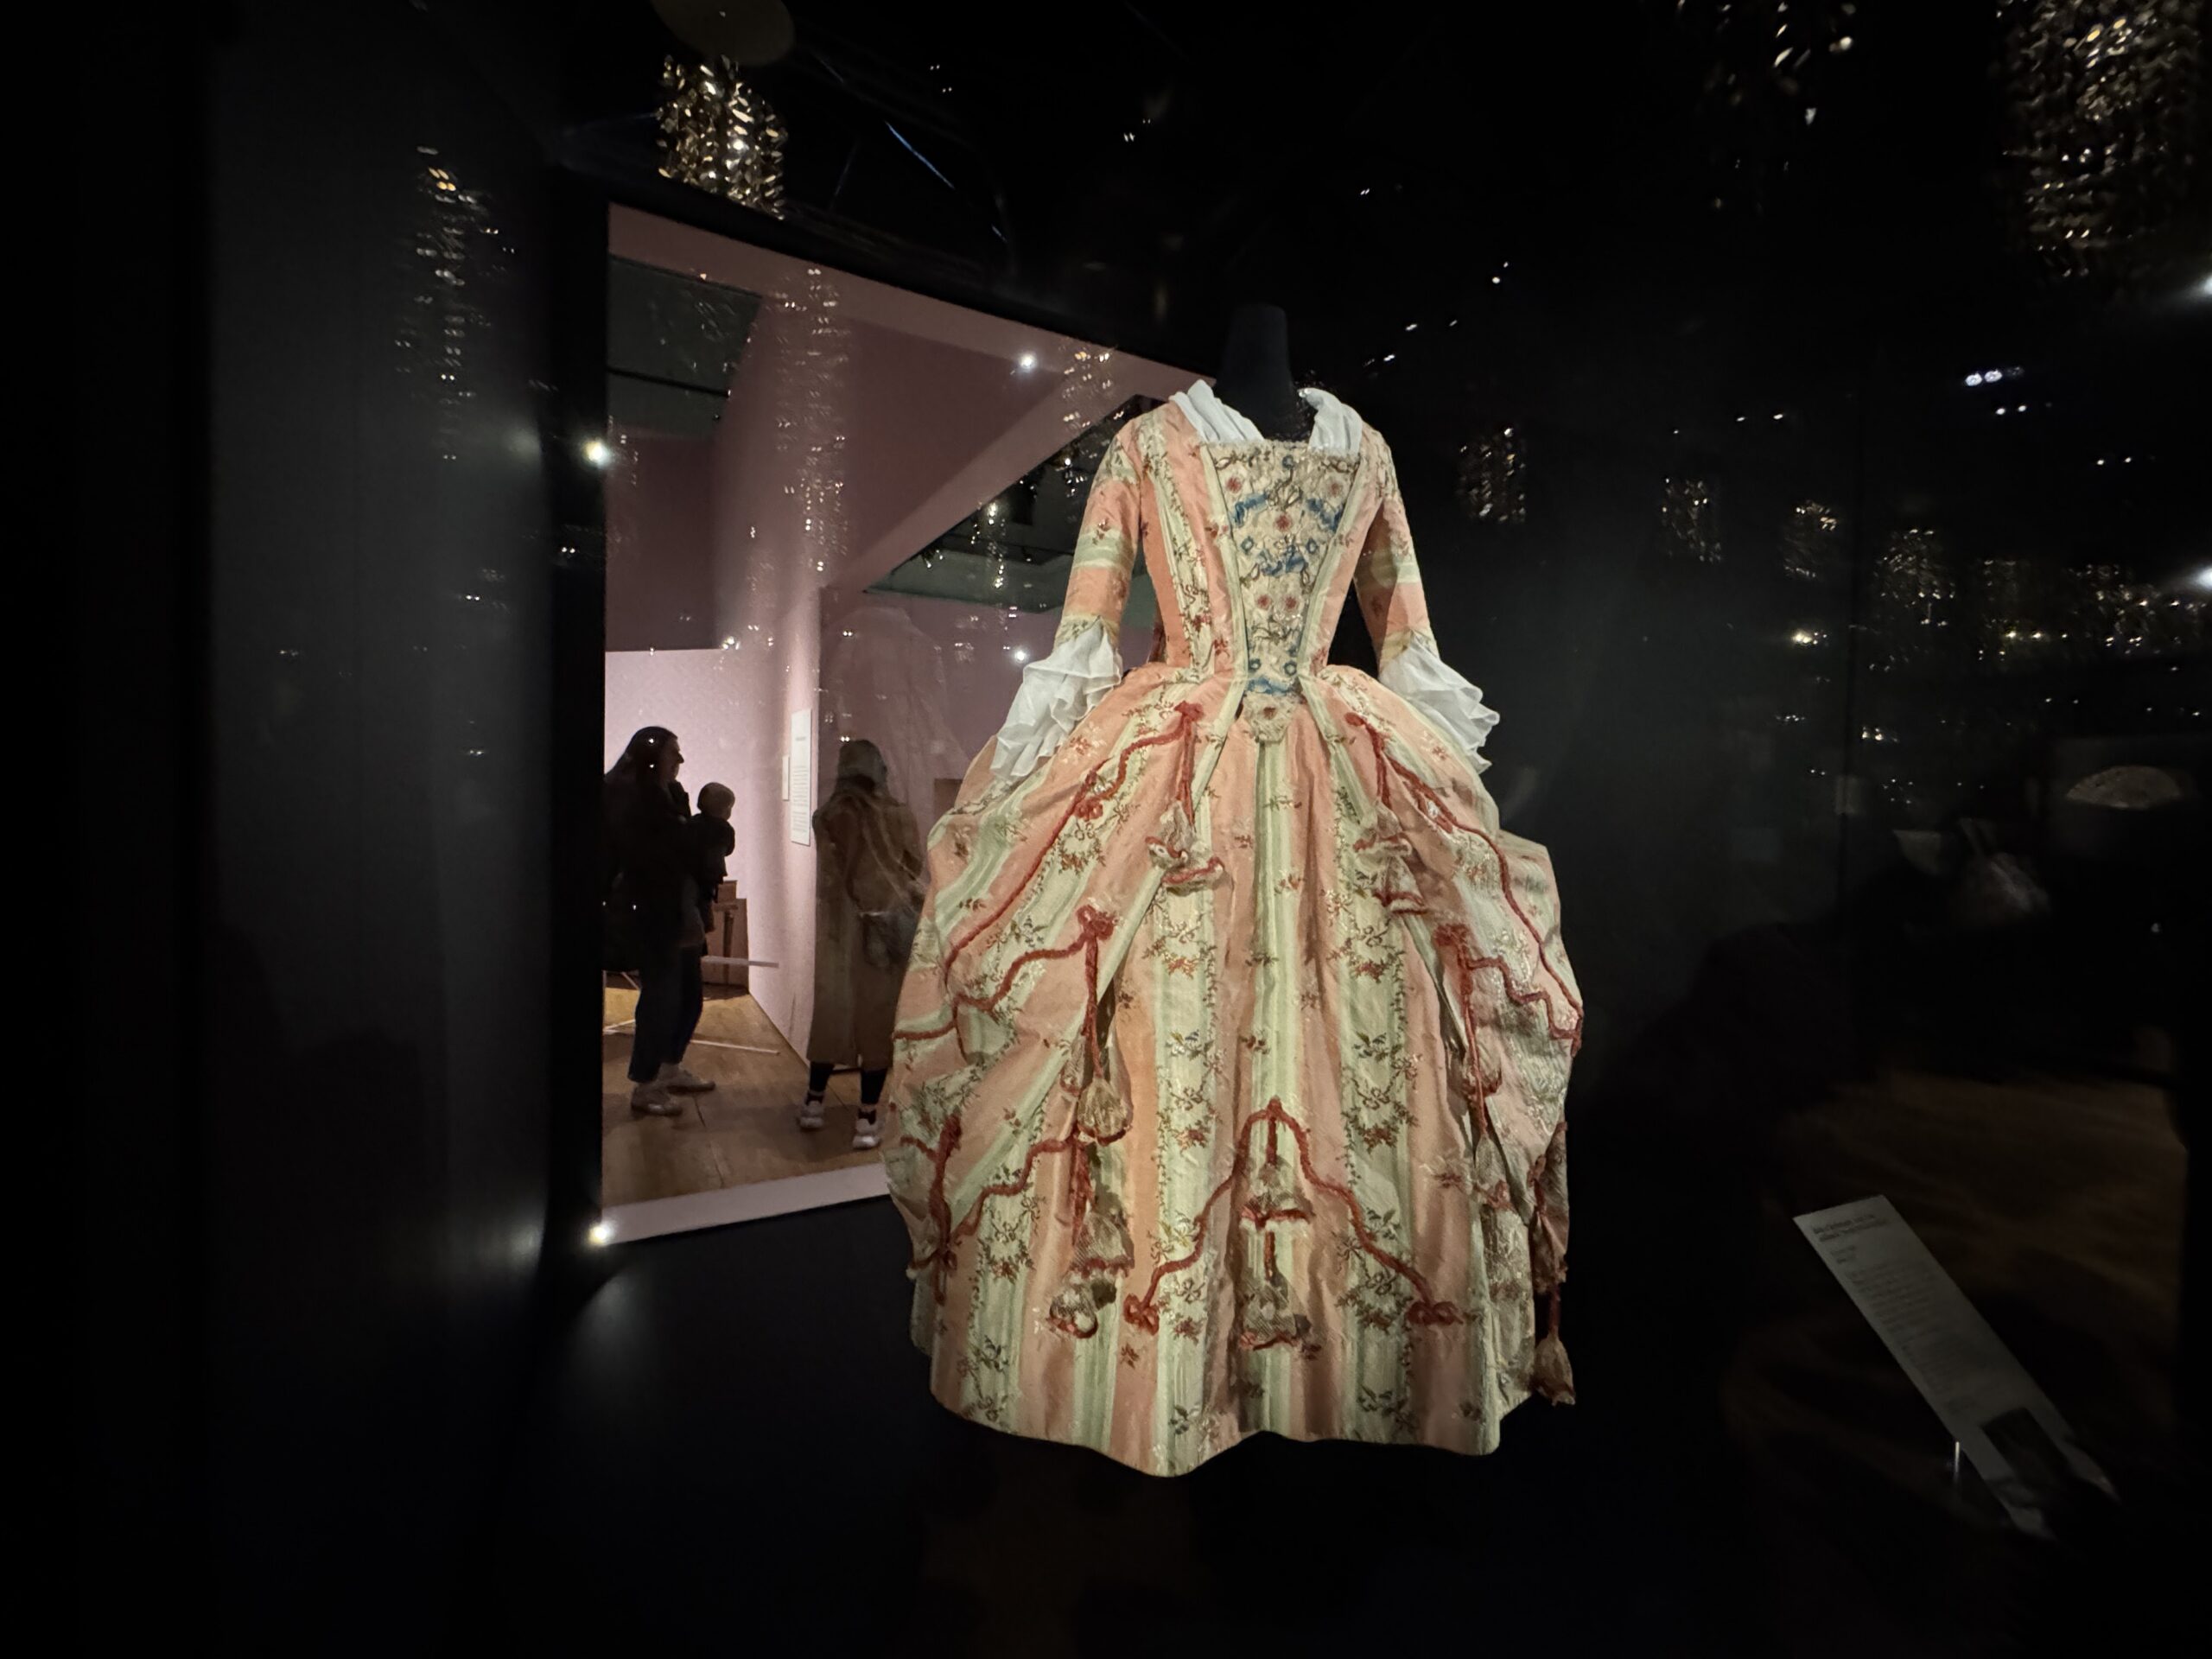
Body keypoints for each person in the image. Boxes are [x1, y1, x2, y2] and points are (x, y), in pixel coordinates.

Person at [801, 739, 924, 1150]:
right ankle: (867, 1117)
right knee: (877, 1018)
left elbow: (830, 874)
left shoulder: (827, 816)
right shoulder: (898, 815)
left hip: (840, 930)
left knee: (832, 1011)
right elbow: (913, 865)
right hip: (884, 924)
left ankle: (814, 1102)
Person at [604, 726, 715, 1115]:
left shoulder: (669, 794)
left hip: (679, 908)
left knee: (688, 995)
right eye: (673, 752)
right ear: (652, 758)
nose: (680, 760)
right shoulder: (629, 798)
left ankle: (669, 1068)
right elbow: (646, 858)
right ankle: (645, 1084)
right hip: (654, 913)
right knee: (662, 998)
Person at [690, 782, 736, 939]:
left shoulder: (694, 823)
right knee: (705, 900)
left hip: (693, 873)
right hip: (711, 874)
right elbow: (729, 849)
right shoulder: (725, 829)